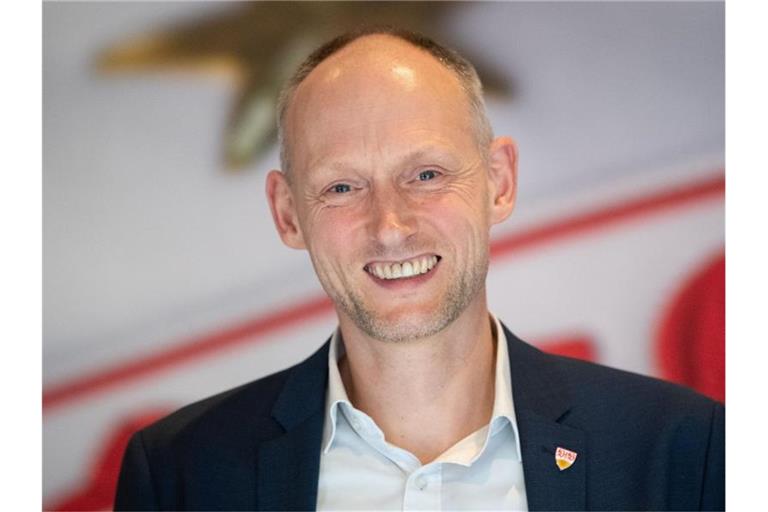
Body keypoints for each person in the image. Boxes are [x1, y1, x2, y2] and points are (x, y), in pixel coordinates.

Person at [115, 27, 724, 511]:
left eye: (426, 175)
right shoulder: (180, 474)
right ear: (287, 213)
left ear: (499, 182)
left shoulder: (685, 450)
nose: (390, 226)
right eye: (343, 186)